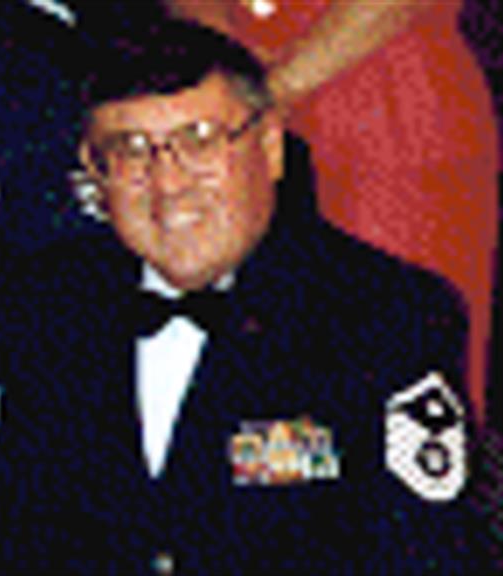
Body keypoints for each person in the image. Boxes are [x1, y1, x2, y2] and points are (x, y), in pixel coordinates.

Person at [0, 19, 495, 575]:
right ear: (95, 171)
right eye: (130, 149)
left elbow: (430, 553)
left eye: (199, 140)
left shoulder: (384, 316)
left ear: (270, 147)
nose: (168, 184)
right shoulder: (45, 305)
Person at [166, 0, 500, 425]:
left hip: (391, 123)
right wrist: (221, 60)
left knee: (396, 358)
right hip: (236, 114)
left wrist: (273, 89)